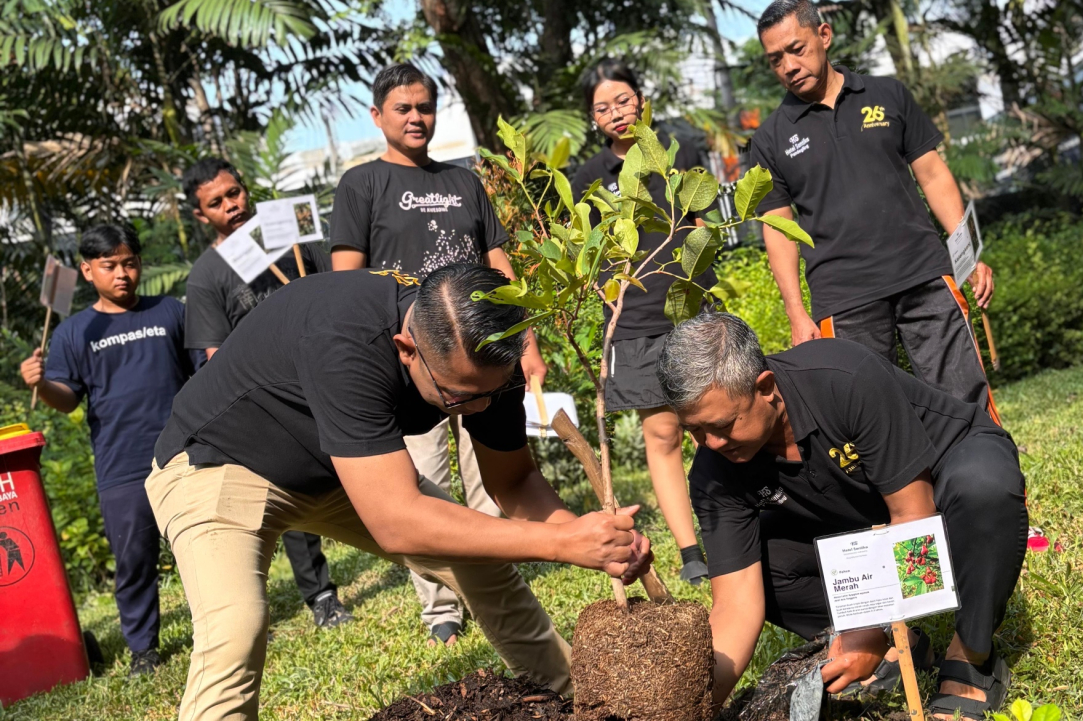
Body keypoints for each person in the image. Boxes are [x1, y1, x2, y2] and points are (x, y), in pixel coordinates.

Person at [147, 263, 651, 719]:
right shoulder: (345, 340)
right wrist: (561, 544)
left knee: (482, 565)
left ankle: (580, 704)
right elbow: (396, 522)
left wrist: (593, 538)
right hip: (216, 464)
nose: (474, 410)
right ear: (405, 349)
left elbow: (513, 481)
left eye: (488, 395)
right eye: (456, 396)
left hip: (338, 467)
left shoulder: (488, 356)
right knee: (237, 628)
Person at [656, 313, 1026, 720]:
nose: (710, 443)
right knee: (762, 565)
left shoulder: (843, 376)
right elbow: (735, 605)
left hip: (936, 483)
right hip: (859, 515)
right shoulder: (713, 471)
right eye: (694, 431)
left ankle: (970, 655)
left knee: (984, 488)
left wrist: (870, 627)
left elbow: (912, 517)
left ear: (765, 388)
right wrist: (690, 708)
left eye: (723, 425)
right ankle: (899, 645)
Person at [328, 63, 550, 646]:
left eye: (424, 107)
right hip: (410, 364)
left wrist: (526, 343)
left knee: (490, 477)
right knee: (423, 478)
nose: (416, 118)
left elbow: (499, 265)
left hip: (480, 359)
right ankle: (441, 608)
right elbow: (344, 283)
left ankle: (492, 584)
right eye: (402, 108)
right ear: (377, 117)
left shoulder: (465, 181)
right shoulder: (361, 185)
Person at [749, 0, 999, 421]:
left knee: (965, 403)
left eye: (797, 49)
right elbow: (777, 227)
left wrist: (968, 256)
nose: (789, 66)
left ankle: (993, 485)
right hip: (843, 299)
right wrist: (796, 312)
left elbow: (934, 175)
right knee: (871, 423)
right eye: (776, 59)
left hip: (925, 277)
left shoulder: (888, 94)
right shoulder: (770, 139)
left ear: (824, 36)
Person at [181, 157, 354, 627]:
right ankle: (320, 596)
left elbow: (335, 286)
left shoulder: (290, 236)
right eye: (216, 203)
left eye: (234, 193)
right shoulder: (207, 275)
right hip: (275, 395)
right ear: (200, 215)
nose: (231, 206)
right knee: (294, 488)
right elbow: (216, 356)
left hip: (331, 372)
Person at [21, 224, 199, 676]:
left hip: (183, 453)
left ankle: (218, 630)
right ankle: (144, 650)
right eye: (110, 265)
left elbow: (201, 374)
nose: (123, 274)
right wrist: (41, 384)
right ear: (86, 270)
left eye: (130, 263)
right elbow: (66, 400)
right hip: (121, 466)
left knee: (202, 547)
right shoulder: (74, 332)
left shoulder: (170, 312)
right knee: (134, 560)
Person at [570, 58, 714, 586]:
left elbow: (702, 227)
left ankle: (730, 525)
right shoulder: (588, 178)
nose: (616, 113)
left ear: (642, 99)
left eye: (623, 101)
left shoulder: (677, 154)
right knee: (662, 433)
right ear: (593, 116)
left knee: (714, 424)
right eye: (603, 107)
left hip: (689, 308)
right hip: (631, 323)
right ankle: (691, 550)